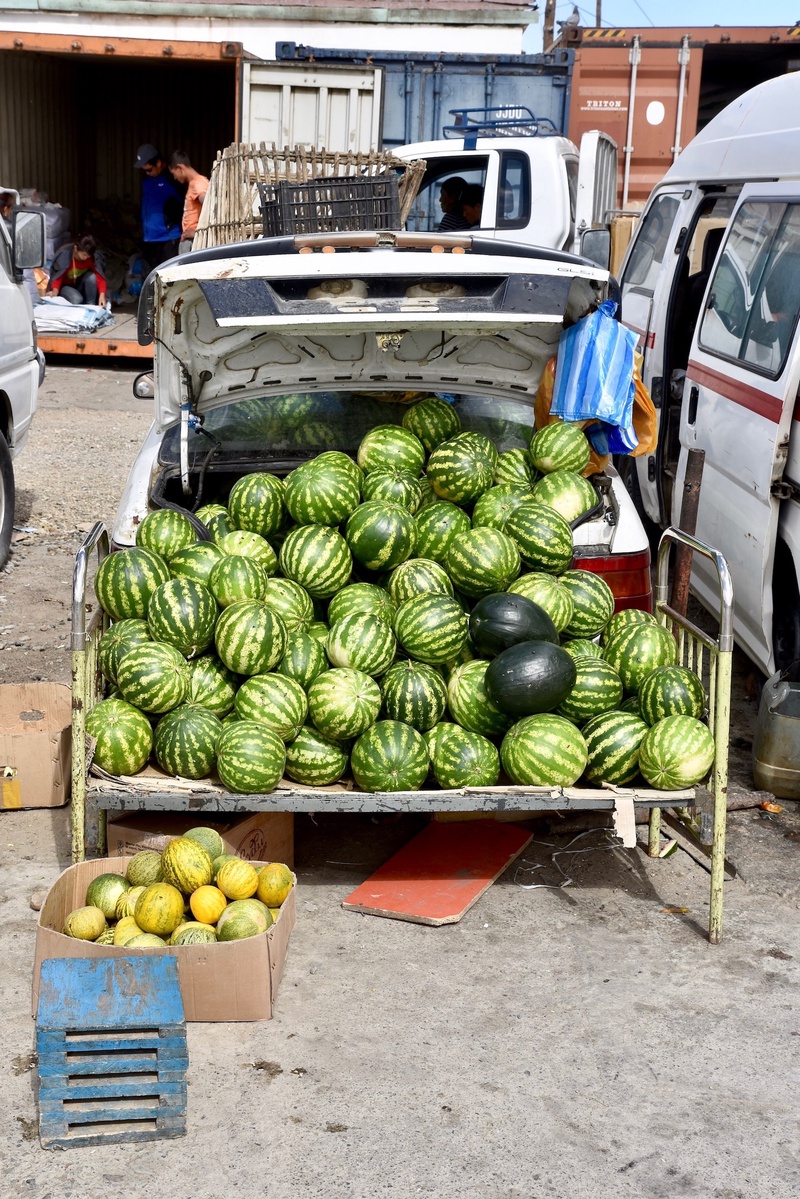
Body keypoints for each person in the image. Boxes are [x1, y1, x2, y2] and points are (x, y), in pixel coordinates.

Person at [134, 143, 183, 269]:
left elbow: (186, 204)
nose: (147, 173)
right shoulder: (147, 180)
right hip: (148, 240)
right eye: (144, 171)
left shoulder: (173, 179)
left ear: (159, 163)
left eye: (149, 169)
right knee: (148, 280)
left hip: (167, 240)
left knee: (168, 280)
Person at [46, 234, 107, 307]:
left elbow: (99, 277)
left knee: (92, 277)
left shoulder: (91, 258)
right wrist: (55, 291)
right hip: (64, 287)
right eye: (84, 255)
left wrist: (102, 295)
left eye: (88, 256)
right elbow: (58, 277)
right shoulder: (65, 255)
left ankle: (91, 306)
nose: (86, 258)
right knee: (77, 299)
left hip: (79, 284)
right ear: (75, 248)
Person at [168, 151, 209, 255]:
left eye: (173, 173)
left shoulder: (198, 183)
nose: (174, 178)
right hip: (190, 240)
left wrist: (196, 233)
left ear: (180, 168)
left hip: (193, 242)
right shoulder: (195, 183)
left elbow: (209, 206)